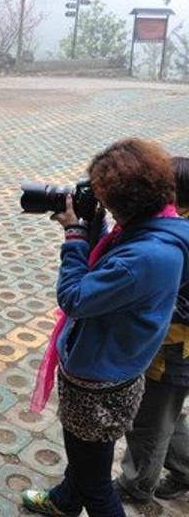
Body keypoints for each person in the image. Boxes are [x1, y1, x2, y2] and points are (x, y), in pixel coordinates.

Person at [21, 138, 189, 517]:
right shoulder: (161, 229)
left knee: (96, 485)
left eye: (105, 200)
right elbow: (112, 272)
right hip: (118, 368)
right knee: (85, 456)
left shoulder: (144, 255)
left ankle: (75, 499)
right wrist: (94, 225)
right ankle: (65, 501)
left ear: (125, 204)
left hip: (97, 384)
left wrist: (74, 235)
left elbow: (75, 297)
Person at [117, 156, 189, 503]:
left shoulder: (178, 239)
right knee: (168, 415)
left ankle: (136, 485)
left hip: (173, 351)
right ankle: (185, 469)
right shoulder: (177, 226)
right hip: (174, 349)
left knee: (149, 422)